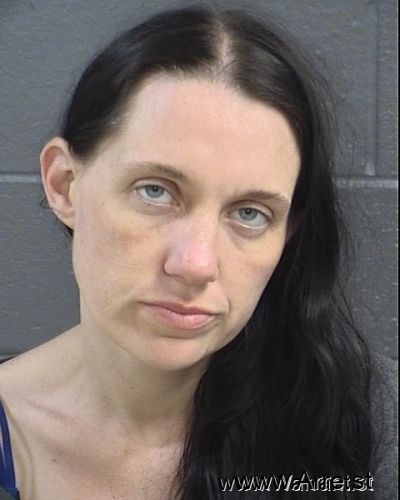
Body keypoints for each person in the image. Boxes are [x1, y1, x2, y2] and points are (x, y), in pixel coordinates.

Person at [0, 6, 397, 500]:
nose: (196, 265)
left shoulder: (363, 425)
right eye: (155, 191)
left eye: (250, 213)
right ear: (65, 184)